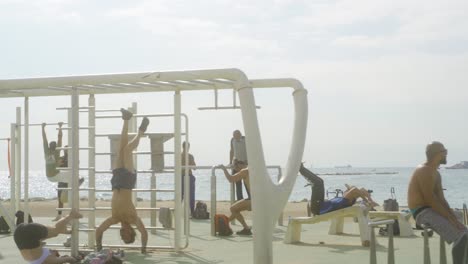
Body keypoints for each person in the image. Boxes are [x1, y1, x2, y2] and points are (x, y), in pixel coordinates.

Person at [96, 109, 149, 254]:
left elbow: (99, 230)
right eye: (126, 236)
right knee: (127, 151)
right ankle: (140, 132)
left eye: (122, 236)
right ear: (131, 232)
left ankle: (126, 119)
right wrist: (143, 249)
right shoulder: (133, 219)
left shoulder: (115, 219)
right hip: (127, 182)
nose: (122, 234)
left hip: (117, 182)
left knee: (121, 149)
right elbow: (144, 233)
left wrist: (99, 247)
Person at [408, 141, 468, 264]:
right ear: (437, 154)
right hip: (422, 213)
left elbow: (441, 199)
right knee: (463, 237)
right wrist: (450, 219)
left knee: (460, 219)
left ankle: (459, 244)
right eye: (444, 151)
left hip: (430, 209)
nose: (446, 154)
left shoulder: (436, 173)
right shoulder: (425, 170)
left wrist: (452, 215)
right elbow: (430, 200)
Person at [42, 123, 84, 221]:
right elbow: (53, 139)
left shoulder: (70, 159)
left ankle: (71, 213)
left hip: (59, 177)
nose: (65, 150)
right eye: (65, 149)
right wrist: (59, 127)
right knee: (60, 198)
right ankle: (60, 215)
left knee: (70, 195)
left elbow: (54, 139)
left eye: (67, 149)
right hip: (59, 177)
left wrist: (44, 128)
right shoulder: (56, 154)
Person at [299, 164, 377, 216]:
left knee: (317, 183)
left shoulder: (346, 199)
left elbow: (355, 189)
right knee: (320, 182)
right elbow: (362, 190)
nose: (348, 191)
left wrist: (367, 201)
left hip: (318, 208)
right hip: (320, 205)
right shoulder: (347, 199)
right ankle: (301, 168)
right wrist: (370, 199)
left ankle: (300, 168)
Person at [14, 209, 82, 264]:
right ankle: (64, 230)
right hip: (20, 234)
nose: (56, 251)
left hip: (29, 235)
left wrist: (76, 258)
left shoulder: (49, 260)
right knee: (55, 232)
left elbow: (70, 259)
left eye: (57, 254)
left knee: (56, 230)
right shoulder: (41, 257)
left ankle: (71, 215)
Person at [219, 164, 252, 235]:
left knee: (233, 209)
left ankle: (246, 228)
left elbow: (231, 179)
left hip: (253, 200)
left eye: (236, 166)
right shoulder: (256, 169)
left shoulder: (245, 171)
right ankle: (225, 222)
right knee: (236, 210)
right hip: (262, 198)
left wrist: (224, 169)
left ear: (241, 163)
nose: (236, 169)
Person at [229, 130, 248, 201]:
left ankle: (250, 197)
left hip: (245, 164)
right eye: (234, 136)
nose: (235, 137)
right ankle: (240, 199)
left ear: (240, 134)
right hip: (236, 163)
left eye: (236, 135)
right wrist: (230, 162)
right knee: (238, 182)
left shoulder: (245, 139)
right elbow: (231, 150)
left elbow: (250, 150)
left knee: (246, 182)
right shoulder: (232, 140)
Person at [181, 141, 196, 215]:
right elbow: (194, 167)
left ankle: (178, 211)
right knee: (190, 195)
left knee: (181, 195)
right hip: (185, 176)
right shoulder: (189, 156)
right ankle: (192, 211)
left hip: (183, 176)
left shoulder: (180, 156)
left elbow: (194, 167)